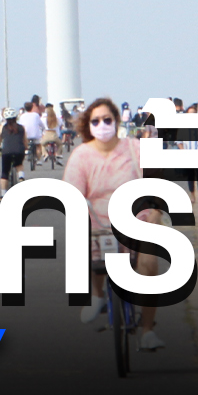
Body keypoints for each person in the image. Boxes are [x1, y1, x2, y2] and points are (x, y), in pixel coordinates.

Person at [62, 98, 165, 349]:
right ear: (89, 125)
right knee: (86, 251)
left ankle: (148, 330)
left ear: (116, 121)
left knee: (149, 265)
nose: (102, 125)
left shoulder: (134, 148)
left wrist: (156, 211)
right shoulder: (81, 155)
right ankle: (97, 294)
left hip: (137, 218)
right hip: (97, 221)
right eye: (96, 121)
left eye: (107, 119)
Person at [0, 115, 26, 194]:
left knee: (5, 172)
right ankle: (21, 177)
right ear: (16, 118)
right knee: (19, 164)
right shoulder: (21, 127)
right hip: (19, 150)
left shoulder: (2, 127)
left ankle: (3, 194)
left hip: (6, 151)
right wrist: (26, 147)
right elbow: (25, 140)